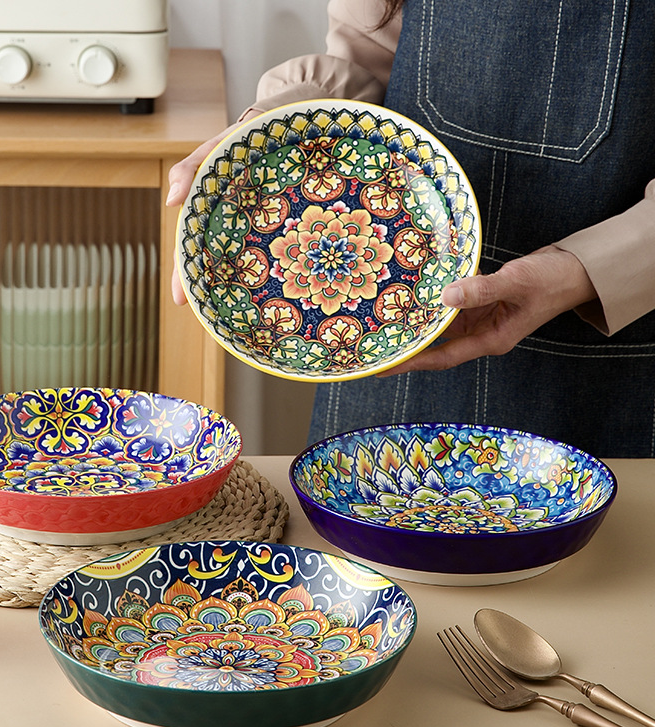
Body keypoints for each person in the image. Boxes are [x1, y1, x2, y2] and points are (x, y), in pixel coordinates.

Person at [167, 0, 655, 458]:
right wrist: (274, 129)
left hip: (608, 348)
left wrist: (585, 271)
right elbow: (368, 55)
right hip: (388, 338)